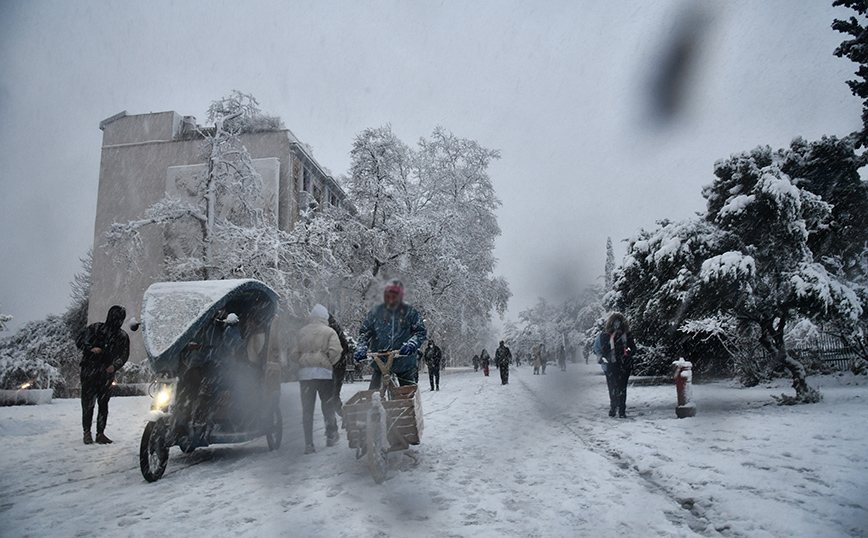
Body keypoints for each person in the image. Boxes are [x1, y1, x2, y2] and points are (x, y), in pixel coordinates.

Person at [354, 280, 427, 389]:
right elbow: (365, 332)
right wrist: (361, 347)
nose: (391, 300)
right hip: (380, 361)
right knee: (374, 395)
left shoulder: (410, 312)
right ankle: (373, 405)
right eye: (388, 297)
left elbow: (420, 332)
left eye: (394, 297)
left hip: (404, 361)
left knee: (408, 395)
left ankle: (409, 405)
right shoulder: (376, 313)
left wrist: (412, 344)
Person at [75, 305, 130, 444]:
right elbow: (80, 341)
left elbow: (124, 355)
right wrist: (91, 349)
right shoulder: (96, 329)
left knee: (103, 404)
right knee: (88, 403)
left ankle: (100, 433)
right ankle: (87, 432)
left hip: (105, 373)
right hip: (90, 370)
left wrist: (114, 366)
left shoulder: (121, 336)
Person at [296, 304, 343, 453]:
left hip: (305, 375)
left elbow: (292, 352)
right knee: (327, 405)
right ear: (325, 317)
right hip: (324, 374)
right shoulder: (329, 332)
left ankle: (309, 444)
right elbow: (337, 350)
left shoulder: (301, 332)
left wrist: (303, 361)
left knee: (307, 409)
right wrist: (327, 362)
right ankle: (331, 435)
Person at [597, 312, 636, 418]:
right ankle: (614, 406)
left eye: (619, 324)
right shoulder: (605, 335)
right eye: (615, 324)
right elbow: (604, 349)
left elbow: (633, 348)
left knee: (622, 387)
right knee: (612, 387)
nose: (617, 326)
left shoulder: (627, 335)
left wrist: (627, 352)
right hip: (612, 365)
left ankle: (621, 409)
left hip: (624, 365)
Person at [328, 313, 352, 415]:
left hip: (336, 366)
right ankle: (343, 416)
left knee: (332, 395)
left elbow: (344, 347)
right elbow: (345, 346)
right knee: (333, 395)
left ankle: (344, 416)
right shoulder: (335, 328)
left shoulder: (331, 330)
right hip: (337, 365)